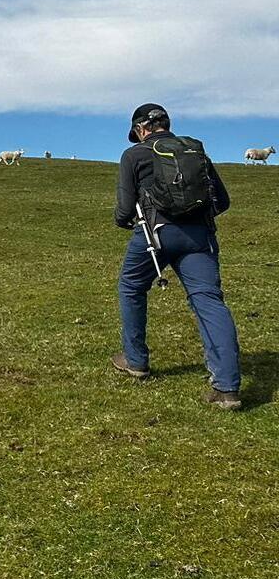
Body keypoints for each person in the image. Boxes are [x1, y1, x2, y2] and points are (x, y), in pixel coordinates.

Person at [112, 103, 242, 408]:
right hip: (199, 236)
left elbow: (124, 208)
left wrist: (124, 221)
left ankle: (135, 360)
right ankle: (226, 388)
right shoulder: (195, 151)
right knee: (208, 299)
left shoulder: (134, 155)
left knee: (131, 286)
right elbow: (221, 200)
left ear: (141, 129)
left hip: (154, 234)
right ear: (167, 124)